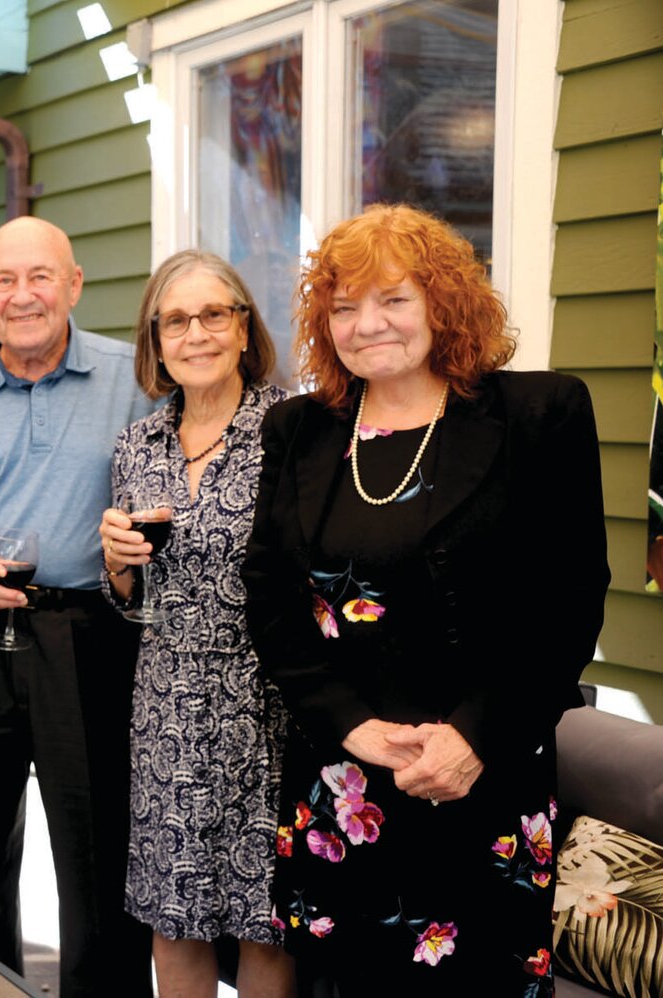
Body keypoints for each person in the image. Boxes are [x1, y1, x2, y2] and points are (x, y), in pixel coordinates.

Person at [242, 204, 610, 995]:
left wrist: (474, 737)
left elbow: (570, 602)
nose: (366, 324)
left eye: (392, 299)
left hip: (486, 774)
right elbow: (270, 601)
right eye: (343, 307)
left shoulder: (538, 416)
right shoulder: (297, 430)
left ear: (442, 304)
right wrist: (350, 726)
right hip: (343, 782)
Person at [0, 215, 155, 996]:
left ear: (75, 284)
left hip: (90, 632)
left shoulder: (137, 379)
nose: (23, 296)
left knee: (95, 849)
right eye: (4, 279)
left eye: (40, 277)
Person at [97, 250, 293, 996]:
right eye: (175, 320)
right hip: (167, 711)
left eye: (214, 314)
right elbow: (130, 601)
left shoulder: (291, 430)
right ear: (155, 341)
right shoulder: (136, 445)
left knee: (261, 924)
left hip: (265, 707)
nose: (196, 333)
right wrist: (116, 565)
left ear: (244, 329)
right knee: (172, 918)